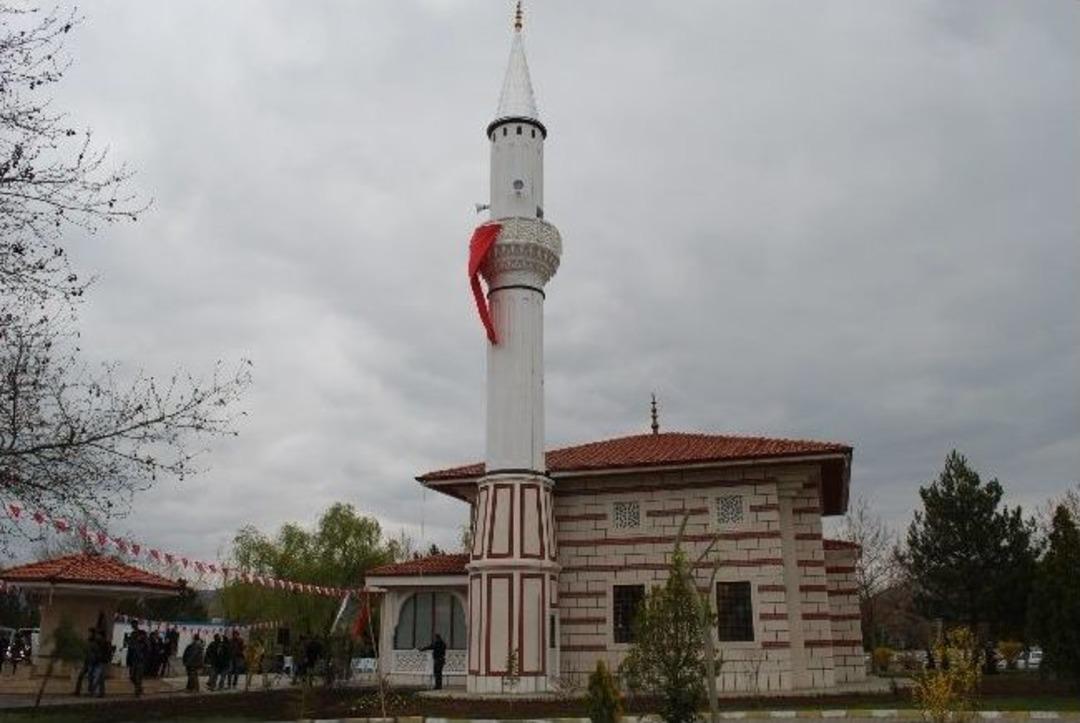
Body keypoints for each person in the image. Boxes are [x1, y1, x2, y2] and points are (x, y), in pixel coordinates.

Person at [73, 628, 98, 695]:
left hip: (92, 662)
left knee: (90, 677)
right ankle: (78, 691)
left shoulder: (95, 643)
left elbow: (96, 653)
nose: (89, 634)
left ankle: (90, 691)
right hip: (87, 662)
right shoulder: (88, 642)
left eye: (90, 633)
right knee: (81, 676)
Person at [126, 622, 148, 696]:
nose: (133, 626)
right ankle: (139, 688)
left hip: (141, 661)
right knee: (132, 676)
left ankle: (137, 692)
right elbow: (130, 647)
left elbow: (148, 647)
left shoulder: (142, 635)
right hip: (133, 660)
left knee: (138, 677)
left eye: (134, 625)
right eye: (132, 625)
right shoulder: (133, 635)